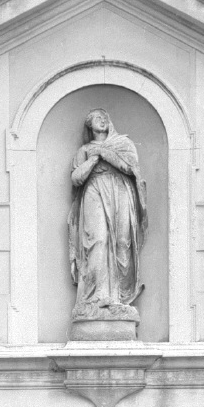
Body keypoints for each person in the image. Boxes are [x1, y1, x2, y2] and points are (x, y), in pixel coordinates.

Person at [67, 108, 147, 320]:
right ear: (89, 126)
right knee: (98, 240)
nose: (102, 120)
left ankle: (119, 298)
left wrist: (103, 153)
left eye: (104, 117)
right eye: (96, 117)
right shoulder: (84, 150)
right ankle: (96, 298)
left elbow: (130, 168)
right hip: (94, 190)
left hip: (121, 191)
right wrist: (93, 159)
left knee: (122, 243)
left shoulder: (123, 144)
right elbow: (76, 178)